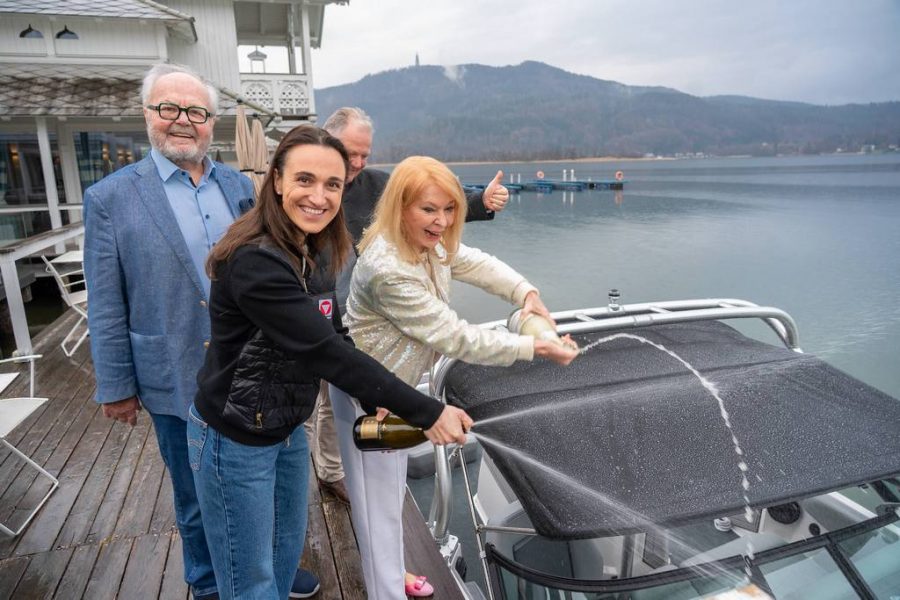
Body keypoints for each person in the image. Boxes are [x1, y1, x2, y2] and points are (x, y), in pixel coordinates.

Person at [187, 126, 473, 600]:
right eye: (305, 180)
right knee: (247, 579)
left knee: (282, 555)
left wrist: (370, 398)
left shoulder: (314, 245)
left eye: (332, 185)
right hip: (234, 437)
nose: (319, 197)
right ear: (277, 180)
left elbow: (336, 331)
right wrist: (428, 412)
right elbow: (326, 353)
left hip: (283, 425)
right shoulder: (256, 261)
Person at [83, 63, 319, 599]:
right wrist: (116, 385)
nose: (182, 121)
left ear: (211, 122)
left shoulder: (240, 186)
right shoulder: (111, 198)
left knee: (265, 488)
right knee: (194, 497)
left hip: (250, 369)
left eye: (196, 112)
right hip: (173, 370)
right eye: (169, 108)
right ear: (148, 116)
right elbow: (105, 304)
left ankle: (268, 569)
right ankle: (209, 583)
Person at [331, 155, 579, 599]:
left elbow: (476, 262)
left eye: (449, 209)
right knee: (377, 508)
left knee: (387, 504)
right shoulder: (389, 270)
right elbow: (454, 336)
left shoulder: (425, 241)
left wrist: (527, 292)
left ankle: (391, 573)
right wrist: (534, 347)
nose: (442, 221)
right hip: (370, 396)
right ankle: (384, 589)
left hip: (396, 389)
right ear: (401, 206)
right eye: (429, 209)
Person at [300, 107, 511, 506]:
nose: (358, 164)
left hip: (361, 318)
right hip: (310, 310)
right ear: (326, 143)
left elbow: (429, 202)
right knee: (314, 402)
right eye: (350, 153)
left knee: (338, 398)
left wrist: (481, 201)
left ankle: (332, 472)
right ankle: (321, 469)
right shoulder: (309, 190)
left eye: (365, 154)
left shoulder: (376, 185)